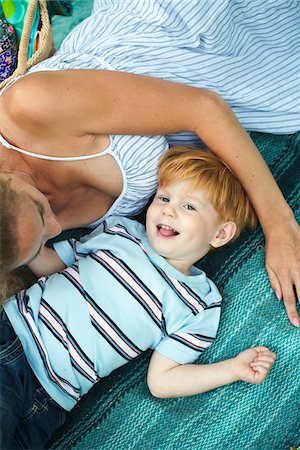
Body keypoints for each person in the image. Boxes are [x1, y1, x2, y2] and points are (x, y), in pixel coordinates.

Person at [0, 0, 299, 325]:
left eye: (41, 210)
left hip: (179, 35)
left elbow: (205, 109)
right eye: (41, 239)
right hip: (209, 113)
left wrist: (279, 225)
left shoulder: (29, 107)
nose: (56, 228)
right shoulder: (13, 234)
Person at [1, 146, 276, 449]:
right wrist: (25, 238)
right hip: (15, 339)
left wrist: (230, 369)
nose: (169, 210)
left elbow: (162, 381)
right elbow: (51, 265)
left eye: (189, 207)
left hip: (52, 401)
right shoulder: (121, 232)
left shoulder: (201, 305)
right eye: (164, 197)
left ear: (220, 234)